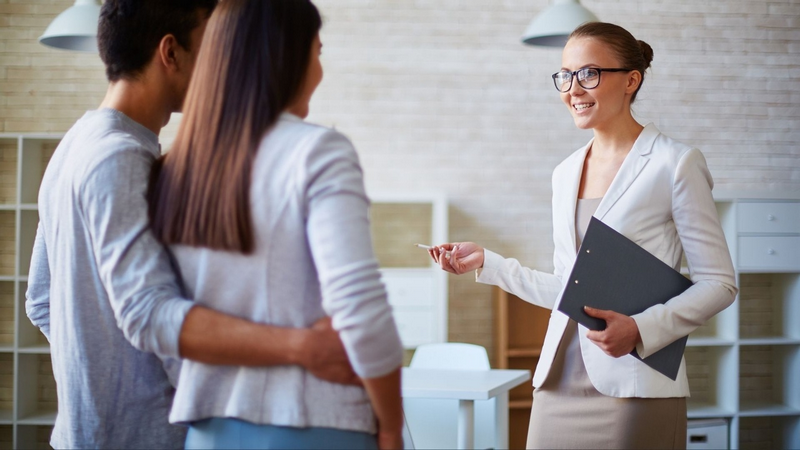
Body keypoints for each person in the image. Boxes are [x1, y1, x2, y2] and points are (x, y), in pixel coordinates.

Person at [25, 1, 359, 448]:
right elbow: (147, 312)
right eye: (211, 45)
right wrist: (301, 347)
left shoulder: (75, 144)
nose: (223, 63)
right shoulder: (120, 158)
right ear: (171, 53)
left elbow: (40, 300)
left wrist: (96, 377)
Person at [428, 22, 737, 449]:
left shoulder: (675, 164)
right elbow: (567, 287)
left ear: (632, 80)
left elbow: (719, 284)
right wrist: (487, 262)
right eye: (565, 75)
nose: (573, 88)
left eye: (589, 73)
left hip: (633, 381)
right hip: (558, 380)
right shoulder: (565, 172)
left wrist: (642, 329)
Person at [147, 0, 404, 449]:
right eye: (318, 51)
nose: (320, 70)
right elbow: (360, 307)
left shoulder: (177, 167)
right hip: (313, 423)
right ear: (286, 55)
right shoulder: (318, 151)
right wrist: (390, 425)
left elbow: (161, 316)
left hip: (206, 430)